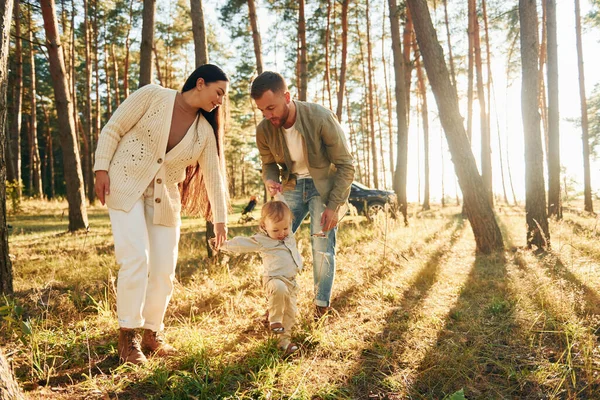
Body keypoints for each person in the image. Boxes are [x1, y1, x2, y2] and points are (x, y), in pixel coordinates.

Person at [94, 64, 230, 365]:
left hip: (165, 200)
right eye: (218, 92)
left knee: (164, 270)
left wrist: (220, 219)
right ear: (200, 82)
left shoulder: (204, 132)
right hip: (125, 185)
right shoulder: (153, 95)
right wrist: (101, 168)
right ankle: (127, 338)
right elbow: (113, 127)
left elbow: (213, 176)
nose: (220, 100)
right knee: (135, 259)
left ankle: (152, 333)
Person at [250, 71, 355, 318]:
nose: (267, 115)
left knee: (321, 246)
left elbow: (346, 165)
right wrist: (270, 180)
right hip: (291, 187)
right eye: (262, 110)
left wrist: (334, 204)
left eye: (271, 108)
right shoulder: (264, 129)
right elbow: (268, 165)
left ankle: (321, 307)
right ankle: (276, 304)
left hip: (324, 188)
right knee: (274, 242)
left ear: (287, 96)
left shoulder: (320, 118)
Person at [216, 198, 302, 355]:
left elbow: (284, 208)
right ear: (264, 226)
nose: (281, 233)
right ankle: (274, 319)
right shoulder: (263, 240)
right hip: (274, 280)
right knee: (279, 289)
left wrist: (278, 194)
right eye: (275, 230)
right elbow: (242, 244)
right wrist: (223, 244)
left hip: (291, 282)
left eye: (285, 228)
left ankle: (284, 343)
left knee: (290, 314)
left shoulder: (289, 235)